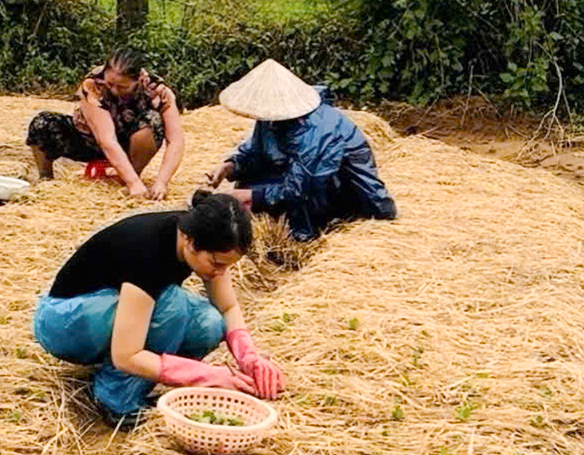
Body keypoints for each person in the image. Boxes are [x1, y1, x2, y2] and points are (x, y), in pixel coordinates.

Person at [33, 191, 284, 426]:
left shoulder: (197, 238)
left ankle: (130, 385)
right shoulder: (148, 251)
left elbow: (227, 307)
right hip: (64, 322)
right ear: (189, 241)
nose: (220, 273)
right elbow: (126, 355)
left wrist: (249, 356)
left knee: (210, 322)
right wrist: (209, 376)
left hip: (105, 311)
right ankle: (115, 397)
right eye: (216, 263)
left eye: (227, 266)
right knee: (172, 306)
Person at [206, 59, 397, 242]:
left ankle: (306, 238)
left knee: (296, 205)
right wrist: (230, 166)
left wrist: (253, 197)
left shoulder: (317, 129)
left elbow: (304, 186)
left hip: (339, 187)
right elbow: (256, 153)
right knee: (245, 184)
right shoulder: (271, 119)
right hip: (302, 176)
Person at [26, 47, 185, 200]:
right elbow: (106, 140)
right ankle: (45, 178)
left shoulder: (158, 90)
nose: (114, 90)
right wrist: (134, 183)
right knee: (42, 123)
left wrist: (161, 182)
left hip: (129, 142)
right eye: (110, 84)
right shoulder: (93, 83)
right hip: (90, 141)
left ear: (138, 80)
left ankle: (129, 175)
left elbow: (176, 141)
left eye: (122, 87)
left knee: (153, 120)